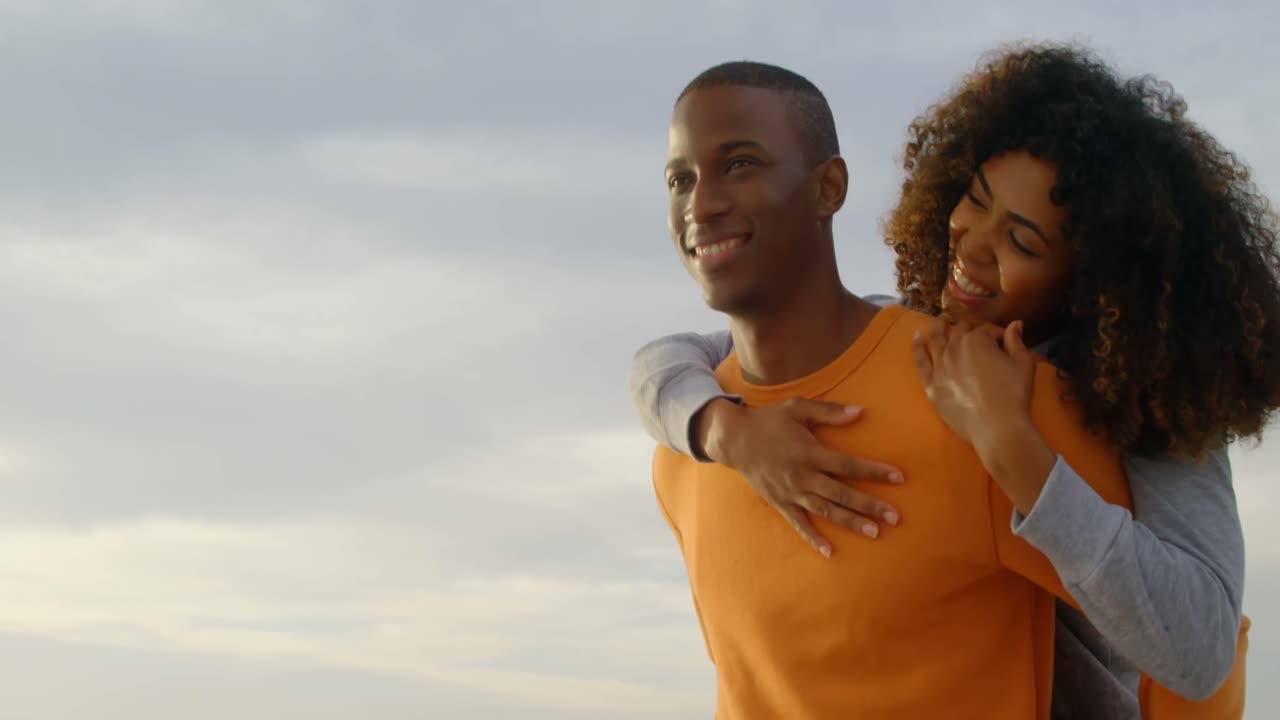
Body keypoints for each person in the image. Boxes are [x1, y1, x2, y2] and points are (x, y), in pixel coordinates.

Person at [633, 45, 1280, 717]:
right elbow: (685, 354)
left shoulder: (1150, 407)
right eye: (974, 201)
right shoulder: (926, 349)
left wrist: (1010, 447)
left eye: (1023, 242)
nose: (970, 249)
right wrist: (722, 428)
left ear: (1096, 281)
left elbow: (1199, 647)